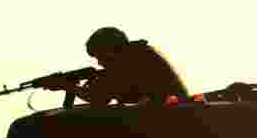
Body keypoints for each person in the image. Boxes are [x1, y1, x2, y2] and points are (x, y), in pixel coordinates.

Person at [46, 27, 189, 105]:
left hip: (168, 115)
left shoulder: (131, 60)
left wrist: (67, 86)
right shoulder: (139, 53)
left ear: (110, 50)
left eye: (100, 56)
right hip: (169, 111)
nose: (99, 62)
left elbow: (98, 97)